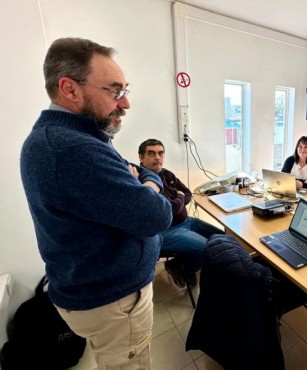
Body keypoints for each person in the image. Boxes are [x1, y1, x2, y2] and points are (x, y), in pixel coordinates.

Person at [20, 38, 173, 369]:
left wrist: (140, 179)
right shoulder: (74, 150)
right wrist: (148, 181)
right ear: (70, 89)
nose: (126, 103)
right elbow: (157, 215)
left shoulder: (70, 137)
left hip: (92, 292)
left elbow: (135, 181)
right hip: (115, 303)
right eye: (115, 91)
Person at [138, 139, 224, 288]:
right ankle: (180, 267)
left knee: (223, 238)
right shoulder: (143, 182)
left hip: (187, 222)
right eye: (151, 154)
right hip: (166, 231)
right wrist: (179, 198)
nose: (157, 157)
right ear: (141, 158)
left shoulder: (167, 174)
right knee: (209, 250)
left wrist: (179, 199)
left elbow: (187, 193)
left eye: (160, 153)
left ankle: (182, 262)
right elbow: (170, 209)